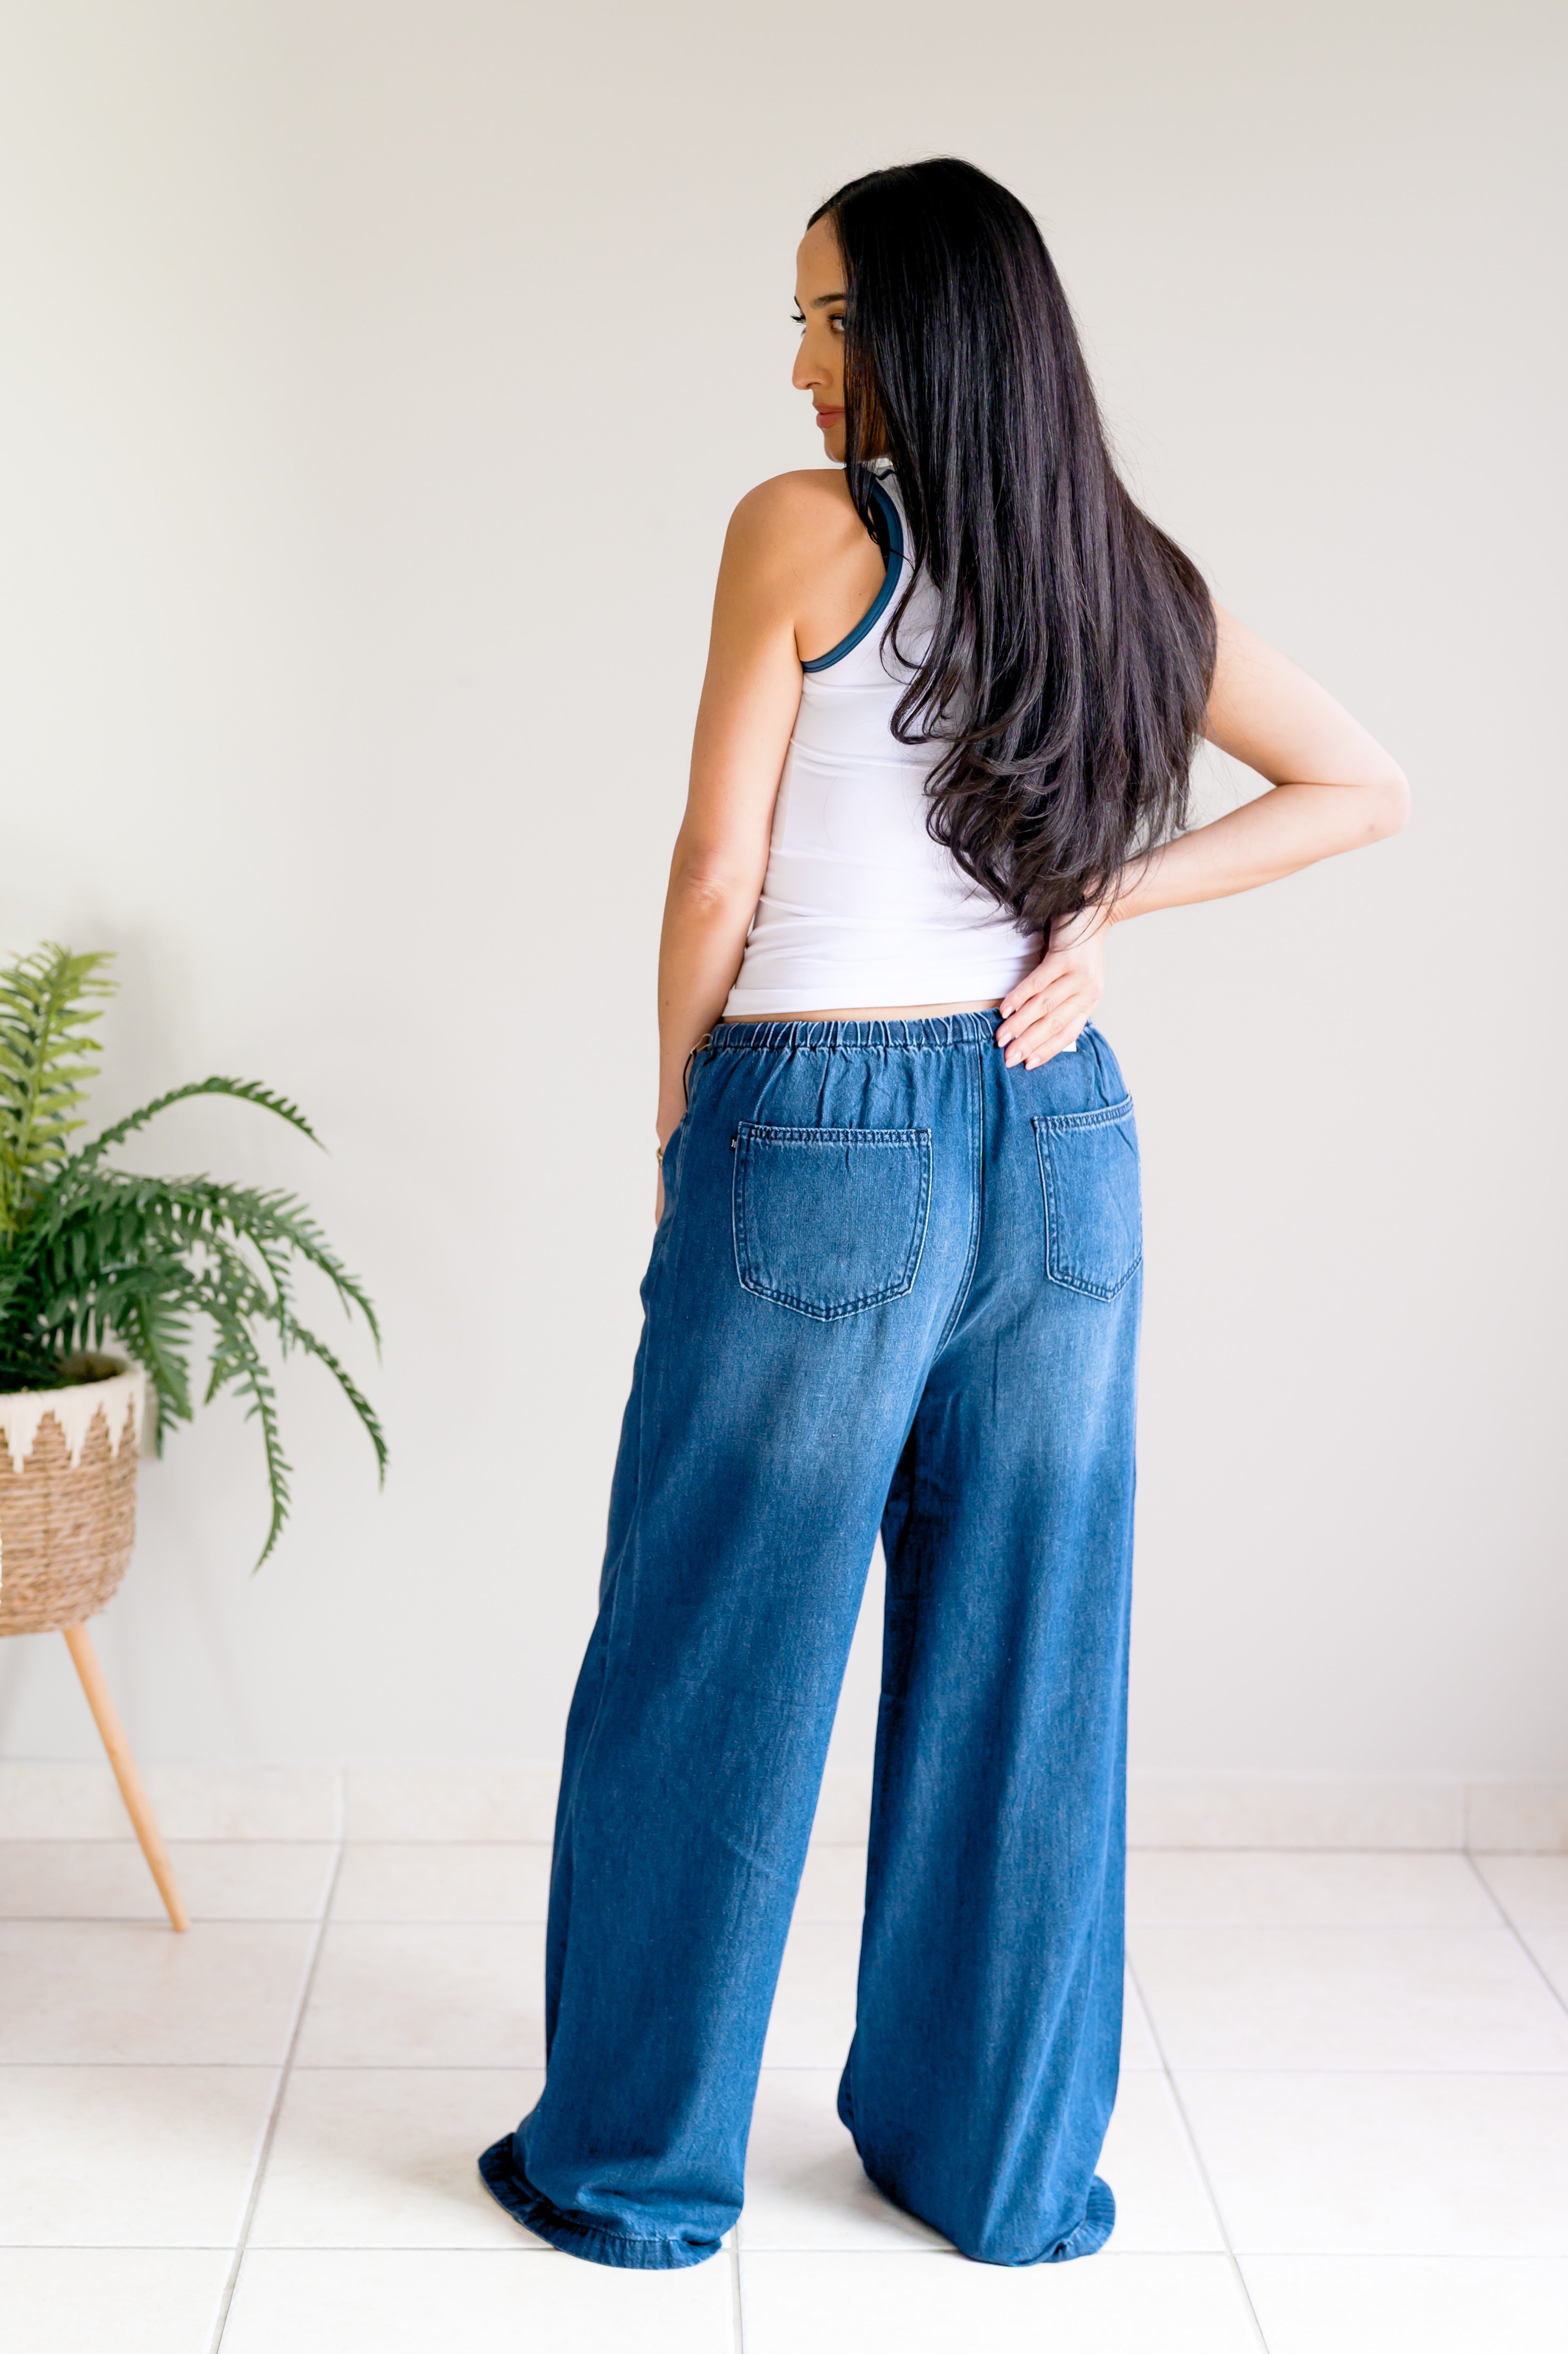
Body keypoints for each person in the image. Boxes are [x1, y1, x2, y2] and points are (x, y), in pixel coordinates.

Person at [480, 157, 1408, 2271]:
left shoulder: (800, 532)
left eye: (834, 319)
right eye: (797, 326)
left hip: (816, 1116)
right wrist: (1100, 905)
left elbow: (717, 867)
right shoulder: (1112, 565)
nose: (807, 367)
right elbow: (1360, 781)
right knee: (1026, 1662)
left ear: (932, 330)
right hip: (1058, 1127)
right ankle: (987, 2168)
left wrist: (675, 1098)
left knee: (712, 1642)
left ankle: (629, 2170)